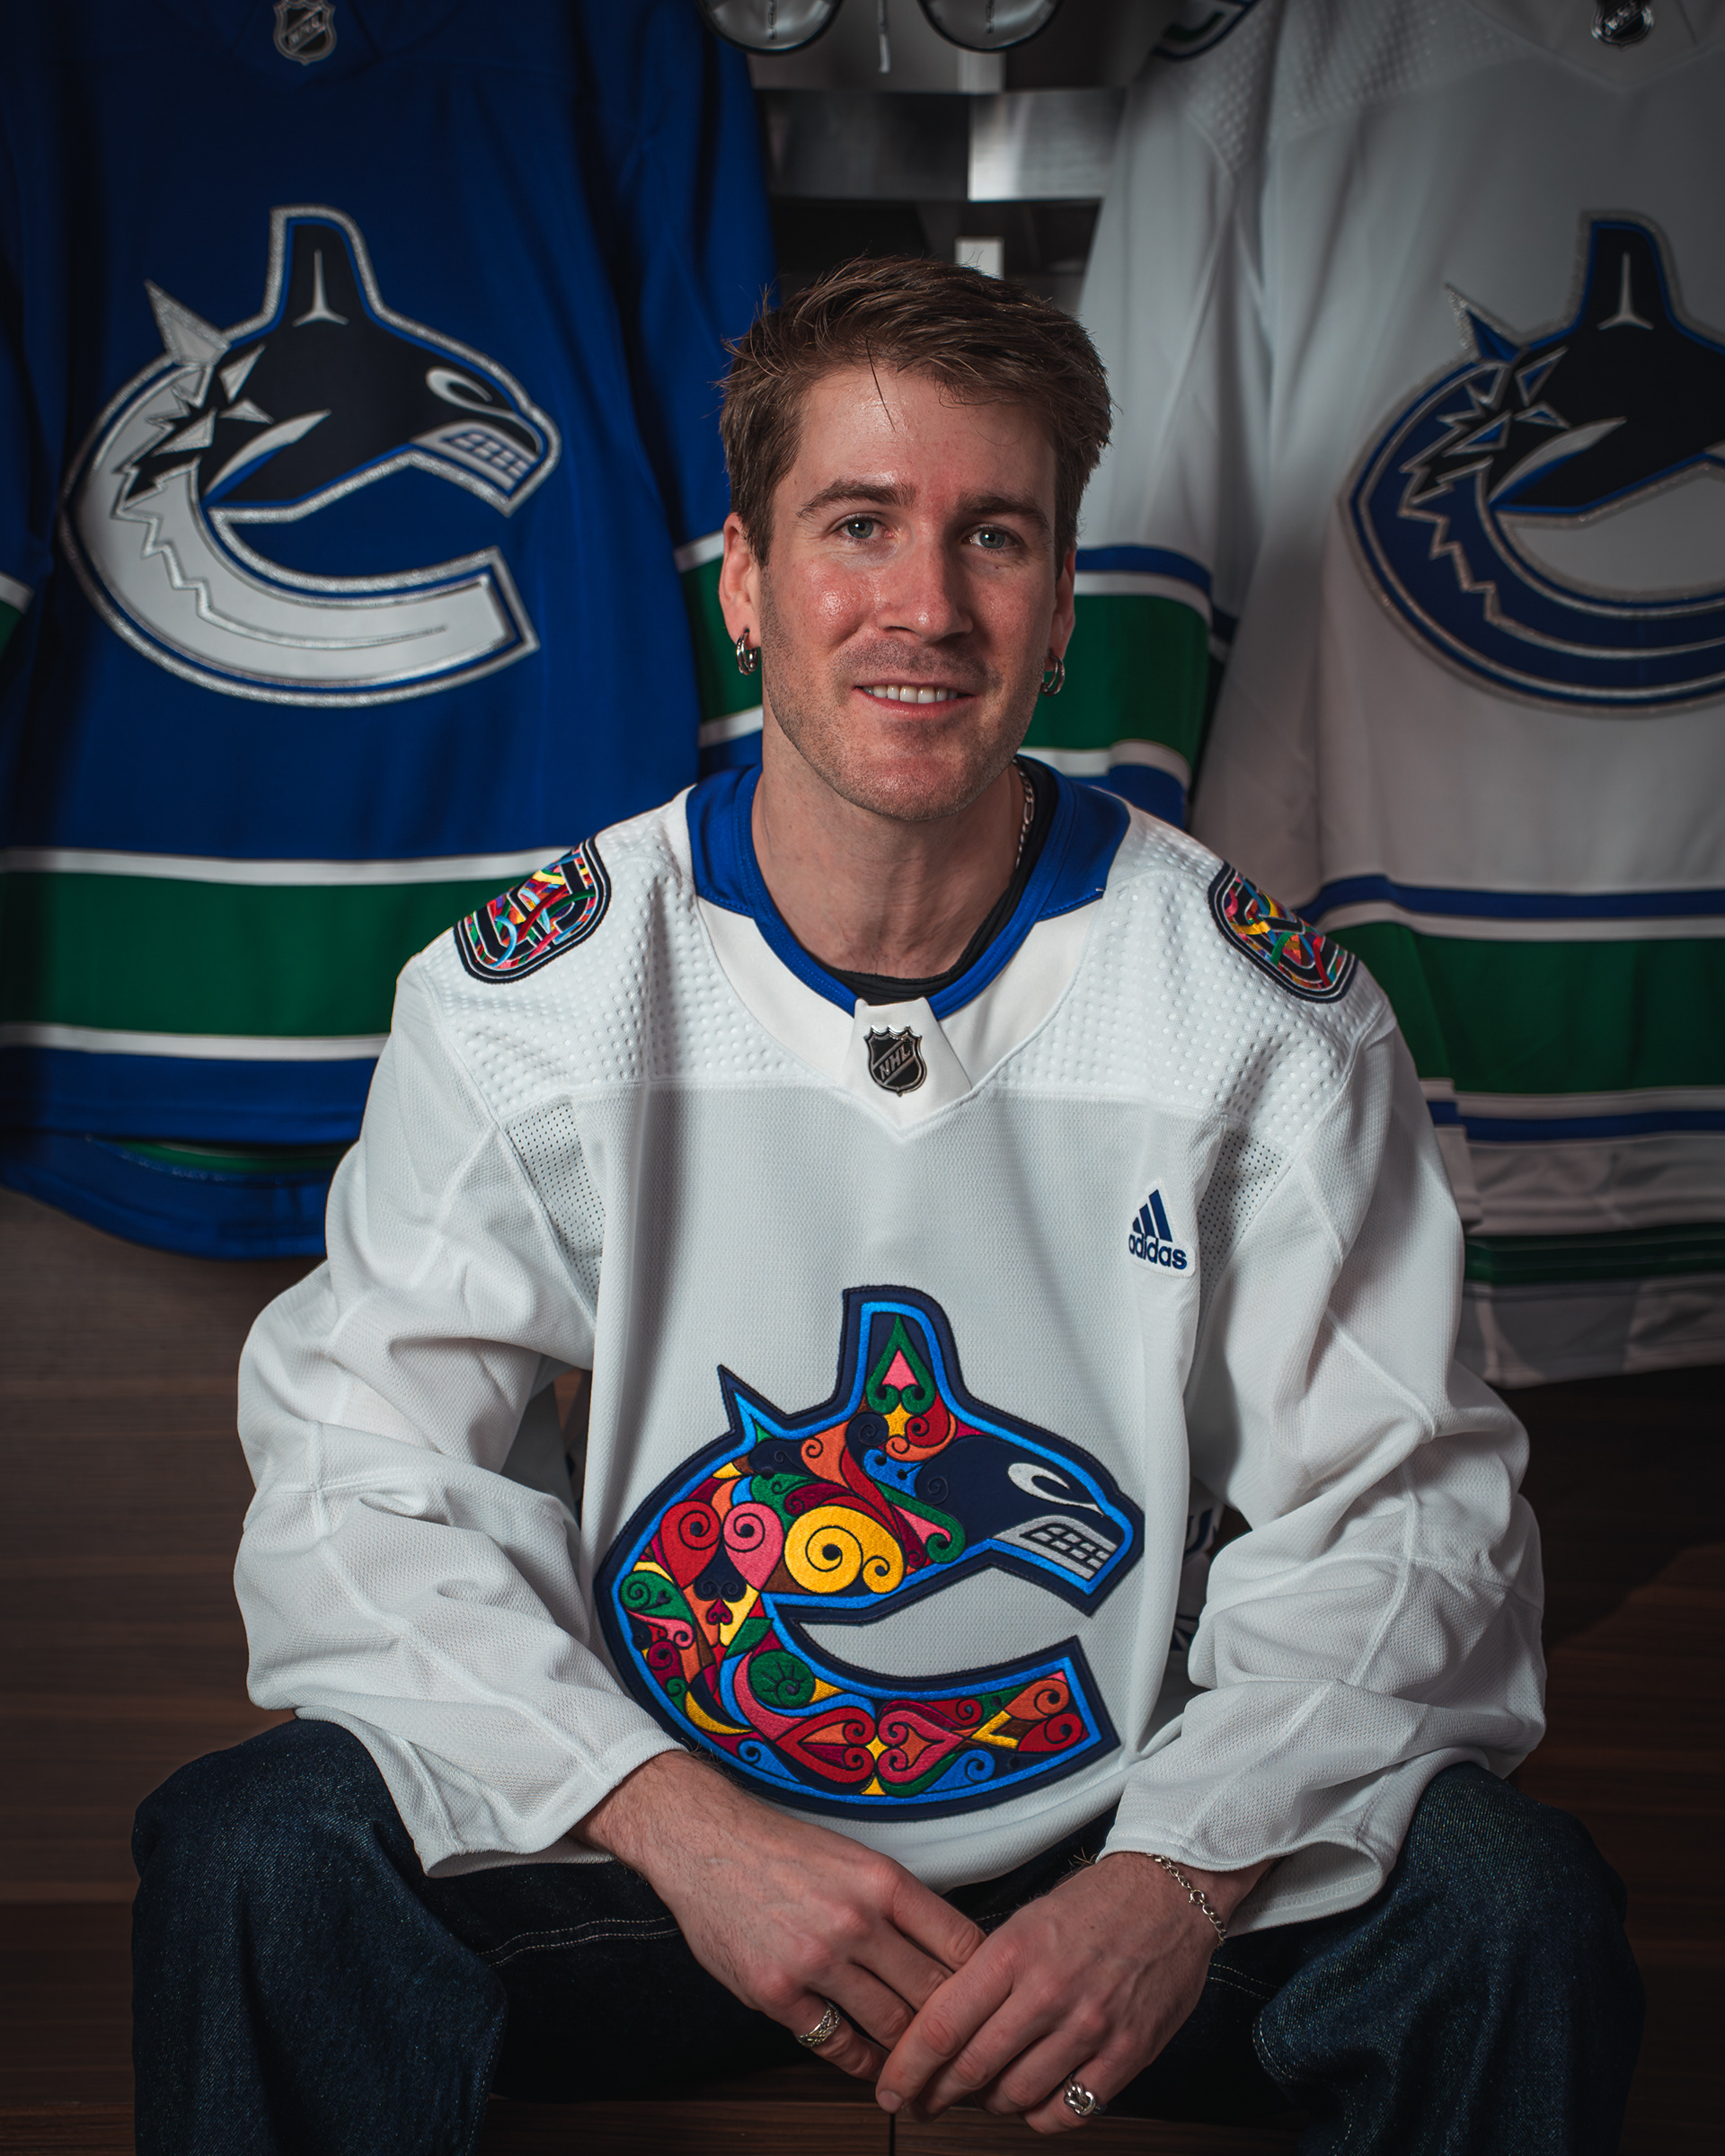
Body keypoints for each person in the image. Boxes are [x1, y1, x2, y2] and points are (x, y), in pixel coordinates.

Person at [132, 259, 1641, 2155]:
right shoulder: (538, 1004)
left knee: (1511, 1911)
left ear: (1061, 603)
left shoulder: (1256, 1016)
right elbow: (362, 1483)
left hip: (1111, 1872)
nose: (925, 605)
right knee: (259, 1854)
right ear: (746, 582)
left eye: (992, 535)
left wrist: (1176, 1878)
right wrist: (676, 1826)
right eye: (858, 525)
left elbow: (1402, 1513)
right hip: (676, 1862)